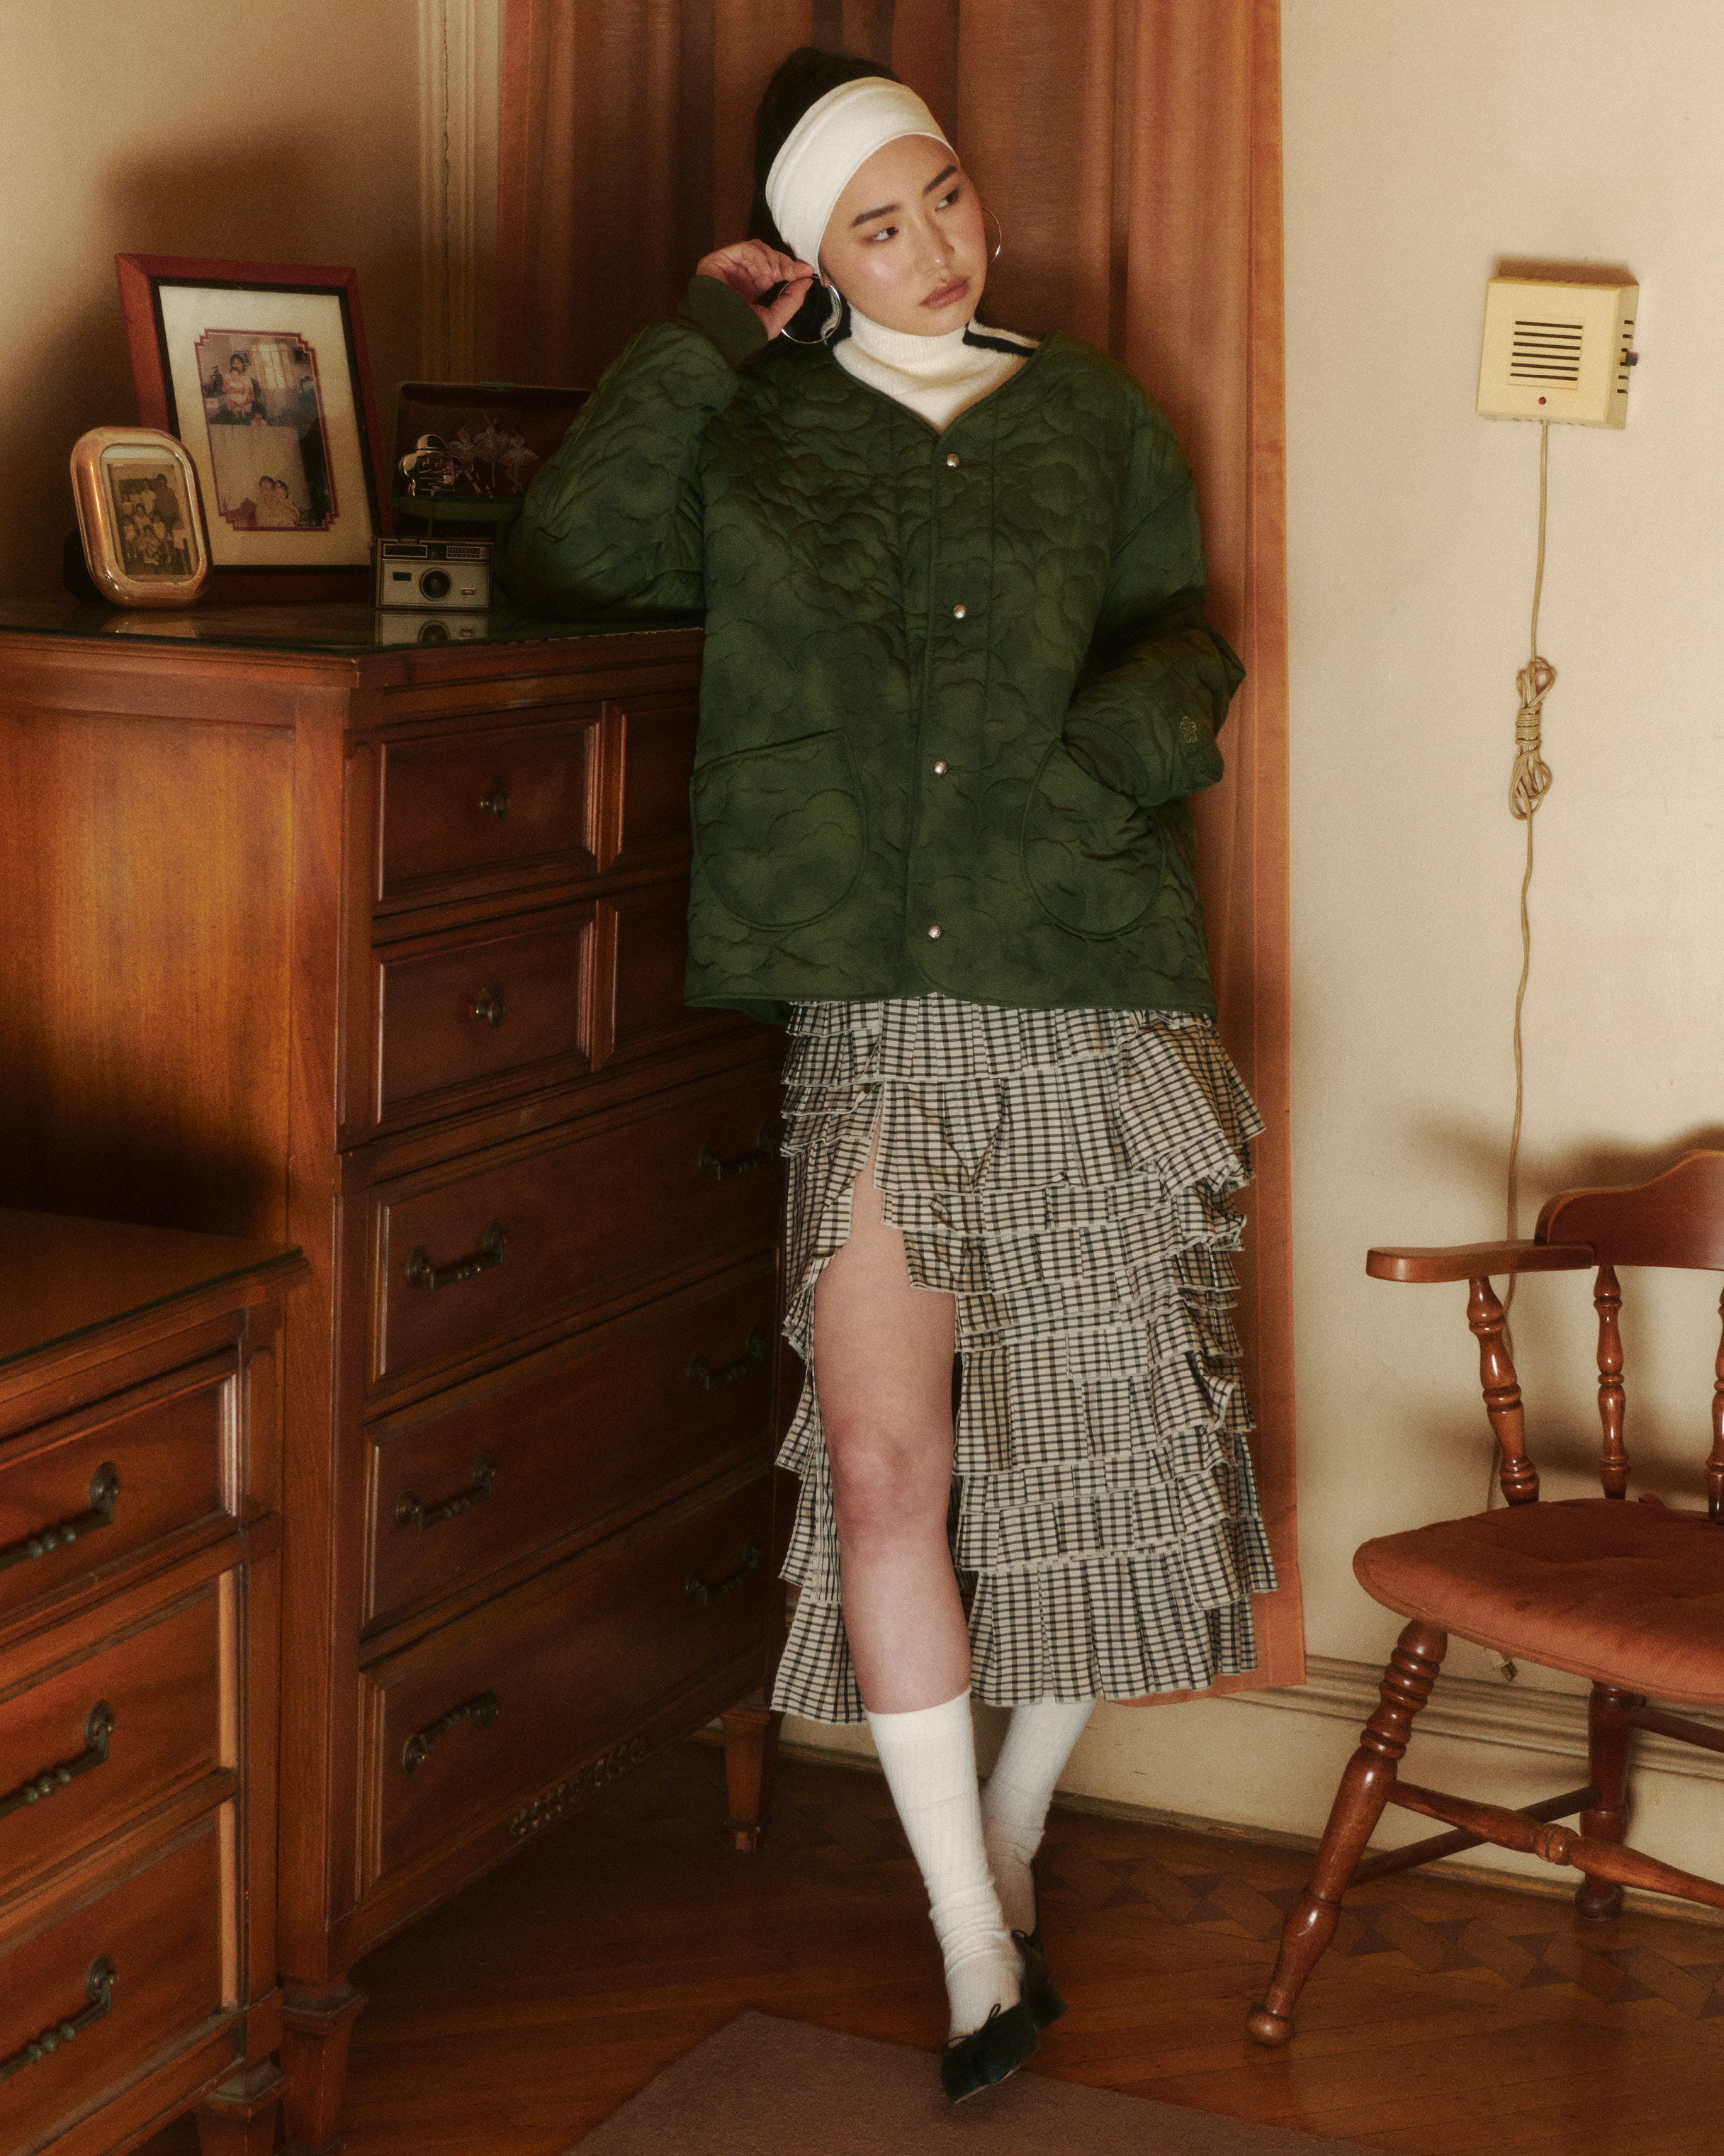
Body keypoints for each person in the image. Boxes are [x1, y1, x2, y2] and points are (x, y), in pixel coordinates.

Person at [500, 47, 1275, 2104]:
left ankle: (1002, 1836)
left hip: (1091, 980)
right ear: (808, 255)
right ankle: (966, 1939)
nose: (930, 247)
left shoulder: (1094, 414)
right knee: (879, 1467)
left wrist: (1109, 761)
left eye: (941, 198)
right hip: (871, 1012)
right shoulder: (753, 429)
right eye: (875, 223)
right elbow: (563, 562)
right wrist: (692, 332)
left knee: (1115, 1445)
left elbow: (1183, 629)